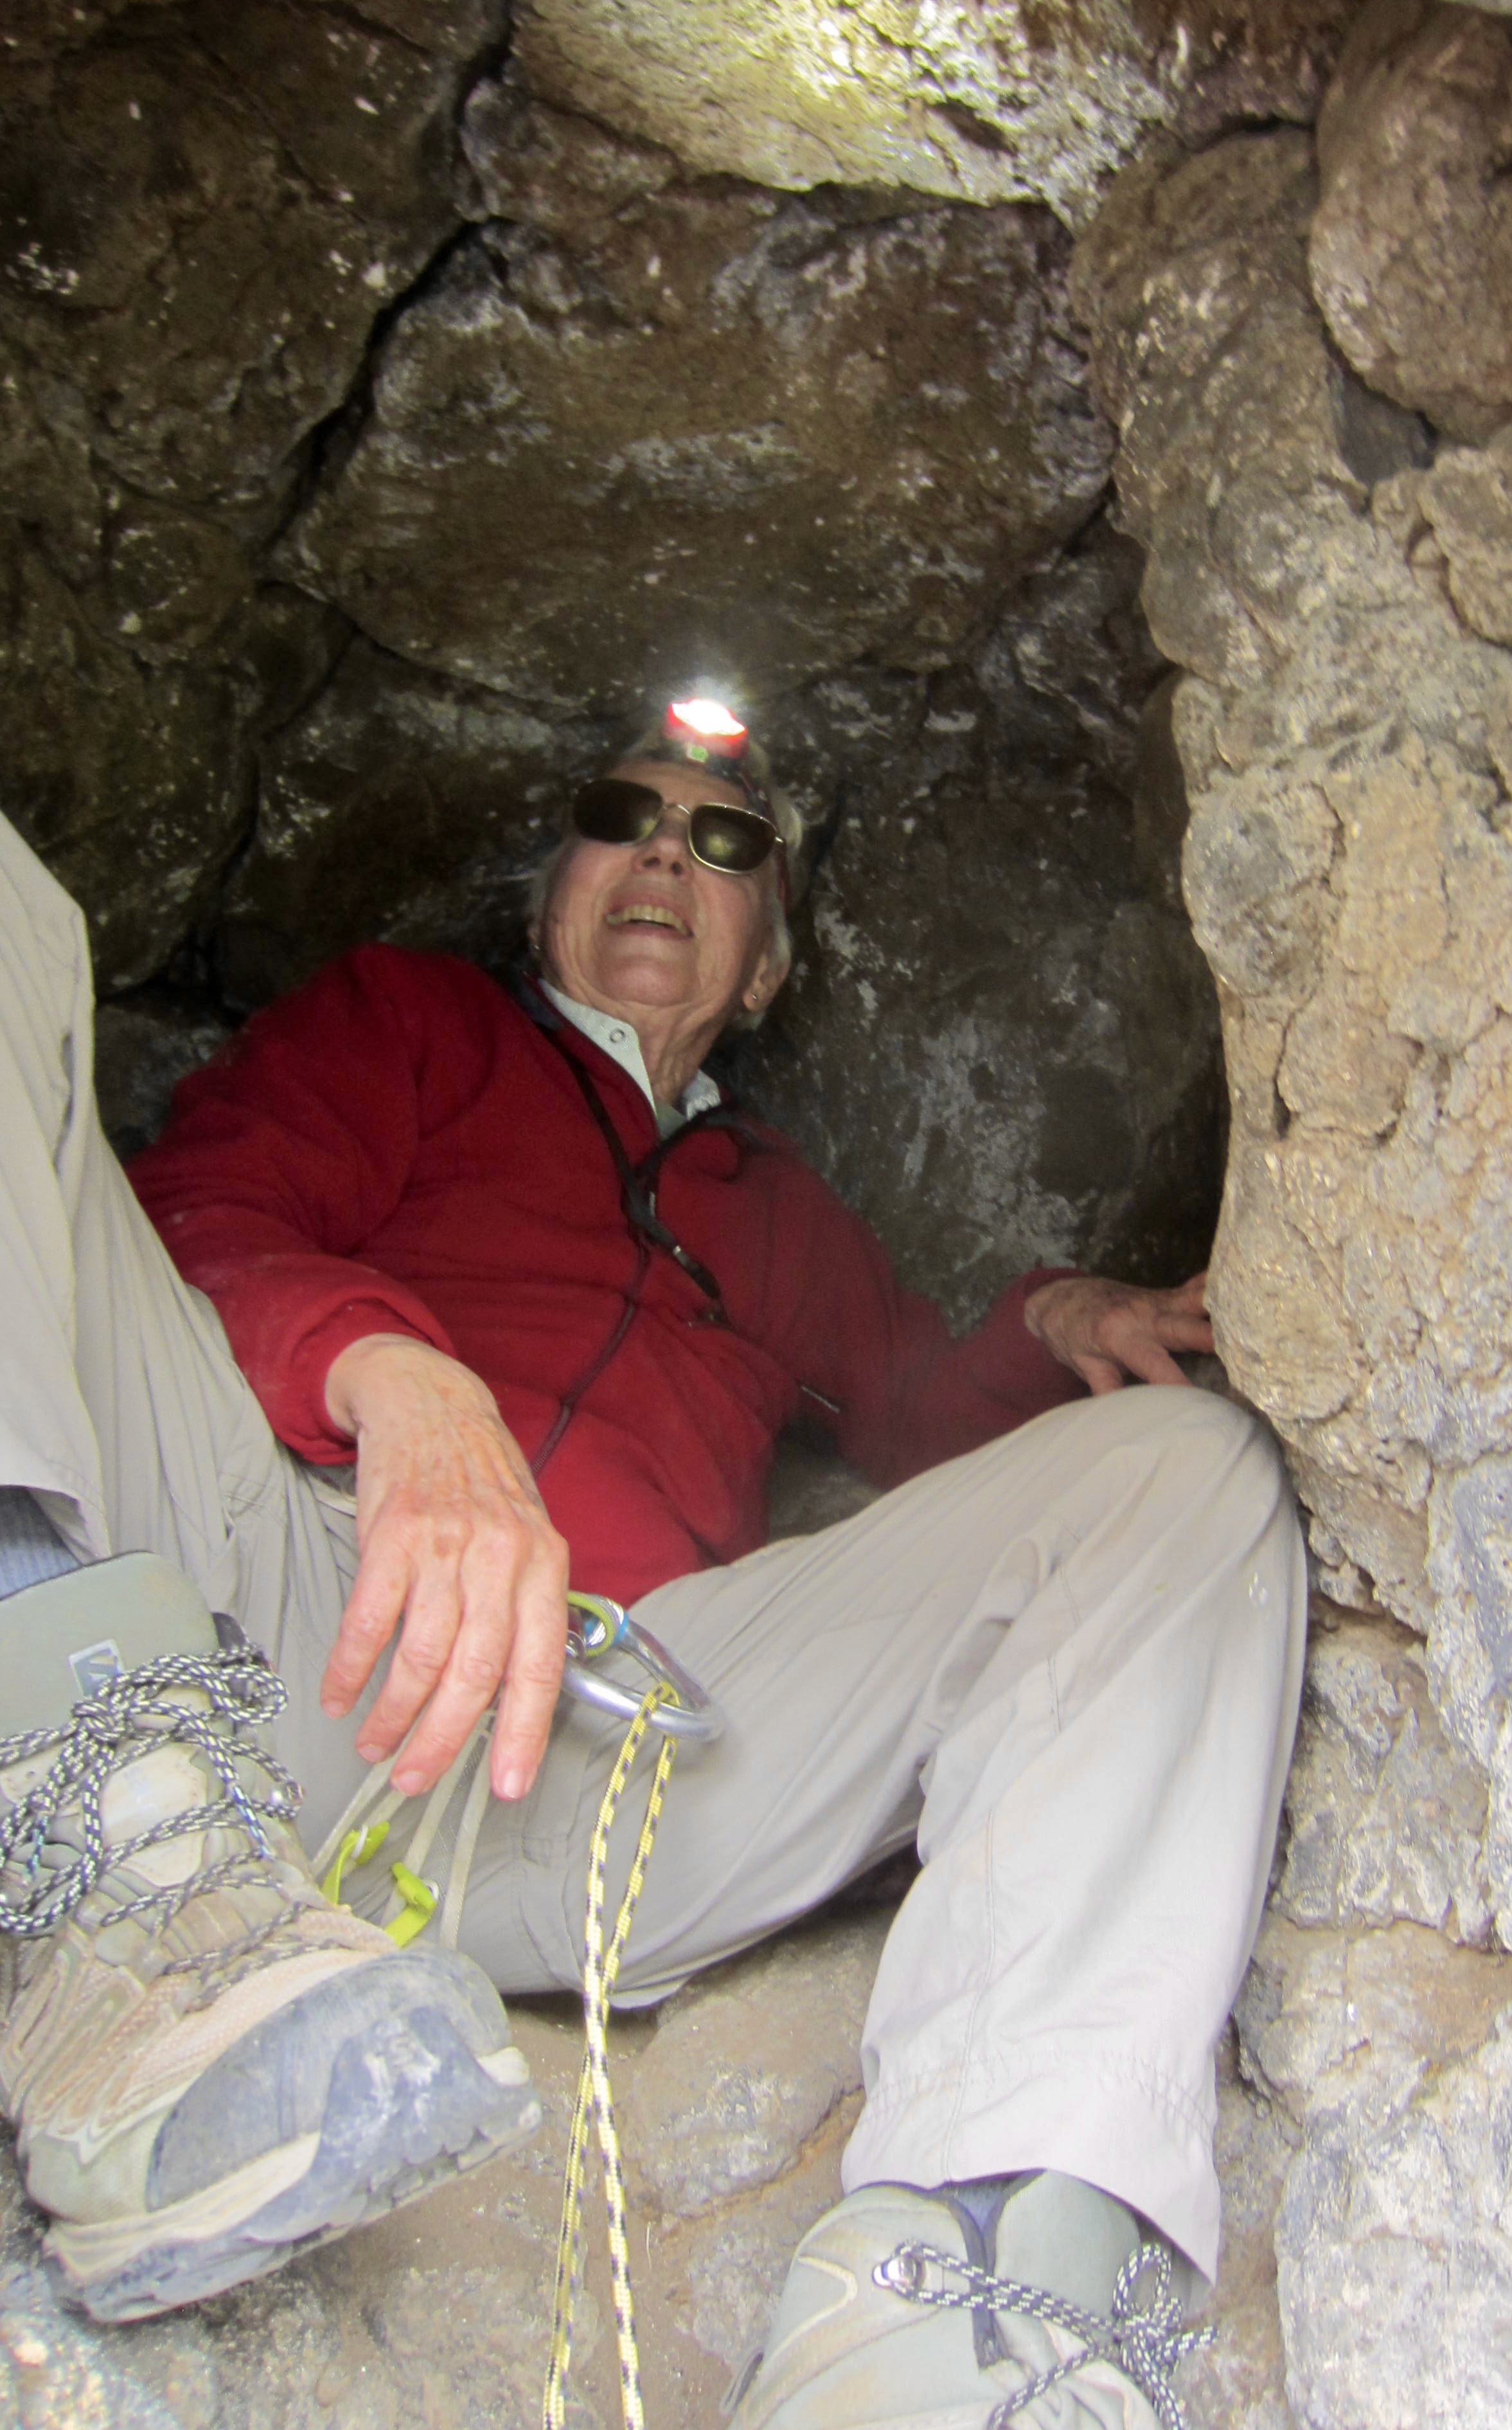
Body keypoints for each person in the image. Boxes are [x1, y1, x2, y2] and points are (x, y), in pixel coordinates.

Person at [0, 699, 1305, 2427]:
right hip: (270, 1614)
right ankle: (112, 1895)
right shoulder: (414, 1022)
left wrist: (1049, 1317)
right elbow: (191, 1226)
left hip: (613, 1752)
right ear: (555, 889)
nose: (665, 857)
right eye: (624, 817)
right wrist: (400, 1381)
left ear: (767, 971)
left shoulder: (780, 1210)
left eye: (723, 842)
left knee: (1189, 1472)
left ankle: (967, 2304)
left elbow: (913, 1410)